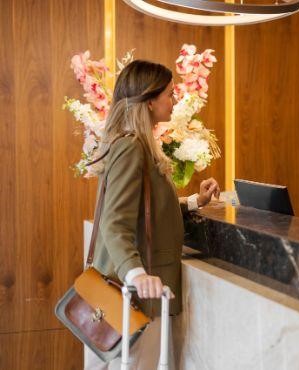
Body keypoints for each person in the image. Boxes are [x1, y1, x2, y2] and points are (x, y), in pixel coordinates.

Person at [84, 60, 220, 369]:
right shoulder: (131, 147)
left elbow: (147, 213)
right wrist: (137, 274)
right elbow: (114, 222)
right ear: (149, 100)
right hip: (132, 297)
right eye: (170, 95)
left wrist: (195, 202)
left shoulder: (139, 145)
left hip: (136, 296)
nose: (175, 101)